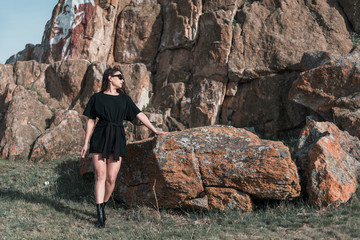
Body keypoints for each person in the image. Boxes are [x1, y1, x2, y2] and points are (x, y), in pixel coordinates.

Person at [81, 67, 168, 228]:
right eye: (119, 77)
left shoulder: (124, 99)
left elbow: (139, 114)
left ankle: (104, 203)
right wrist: (86, 143)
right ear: (109, 78)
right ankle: (100, 215)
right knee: (100, 175)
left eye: (122, 78)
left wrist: (154, 129)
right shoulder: (97, 98)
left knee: (111, 178)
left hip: (117, 137)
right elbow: (91, 120)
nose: (122, 80)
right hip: (100, 136)